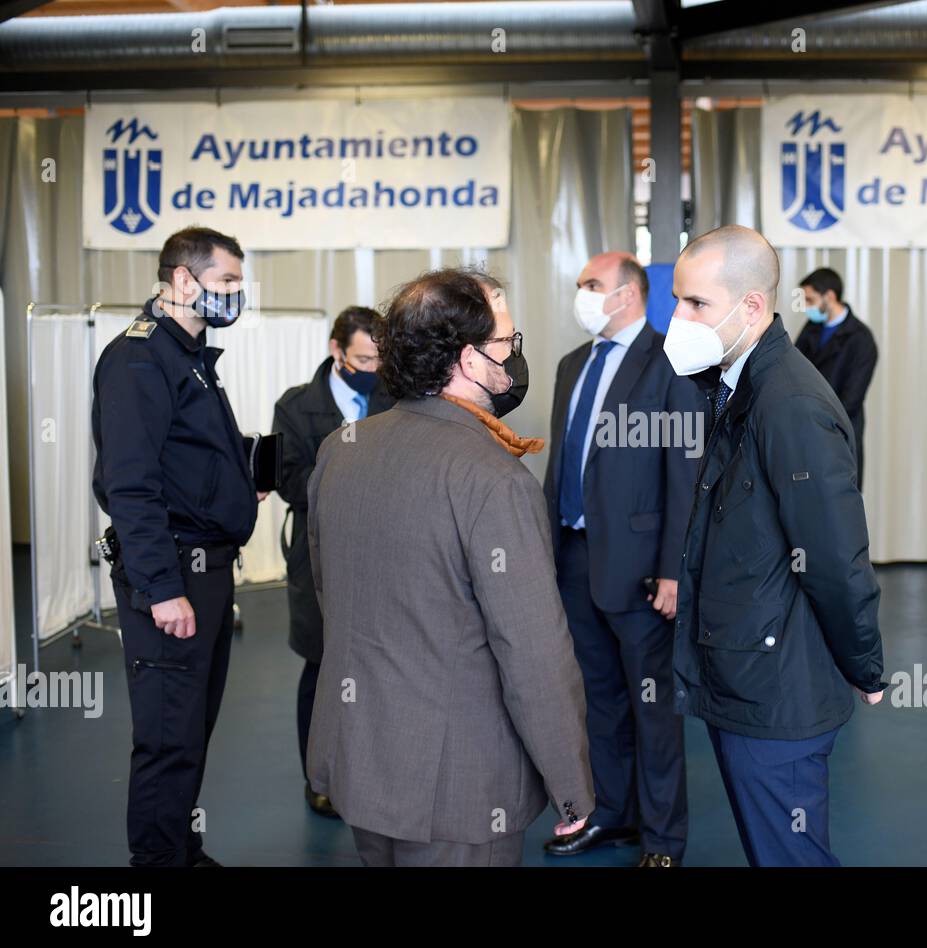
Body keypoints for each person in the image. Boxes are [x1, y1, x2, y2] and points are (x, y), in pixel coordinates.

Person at [306, 268, 593, 866]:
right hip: (460, 787)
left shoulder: (342, 449)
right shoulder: (493, 478)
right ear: (468, 359)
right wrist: (572, 785)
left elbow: (334, 596)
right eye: (507, 343)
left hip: (362, 762)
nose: (516, 355)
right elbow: (533, 653)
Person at [665, 225, 889, 866]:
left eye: (697, 304)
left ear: (753, 307)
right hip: (747, 675)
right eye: (679, 301)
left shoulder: (789, 405)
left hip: (778, 687)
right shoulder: (741, 387)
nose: (679, 318)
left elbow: (834, 557)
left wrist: (863, 663)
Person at [91, 226, 262, 867]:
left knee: (191, 730)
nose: (235, 296)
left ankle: (182, 851)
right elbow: (129, 487)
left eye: (239, 284)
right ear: (183, 281)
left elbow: (189, 458)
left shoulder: (189, 353)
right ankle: (157, 867)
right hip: (173, 574)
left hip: (207, 570)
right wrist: (163, 588)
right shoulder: (140, 358)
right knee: (167, 735)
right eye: (226, 283)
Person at [541, 252, 702, 867]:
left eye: (593, 285)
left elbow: (685, 473)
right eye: (580, 285)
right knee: (599, 700)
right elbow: (566, 463)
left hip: (642, 571)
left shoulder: (670, 365)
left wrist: (673, 570)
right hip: (576, 557)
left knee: (653, 707)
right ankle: (613, 815)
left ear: (629, 295)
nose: (582, 295)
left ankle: (663, 841)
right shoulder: (570, 366)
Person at [272, 306, 395, 817]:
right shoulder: (298, 407)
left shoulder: (396, 399)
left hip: (389, 559)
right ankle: (318, 776)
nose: (373, 368)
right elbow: (287, 479)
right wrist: (352, 484)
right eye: (363, 358)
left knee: (385, 669)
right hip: (318, 557)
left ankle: (380, 771)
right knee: (322, 666)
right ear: (336, 351)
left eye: (380, 359)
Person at [793, 268, 878, 489]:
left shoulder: (861, 339)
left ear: (829, 296)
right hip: (806, 431)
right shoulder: (811, 329)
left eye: (810, 299)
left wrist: (815, 418)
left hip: (839, 436)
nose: (806, 306)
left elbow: (851, 400)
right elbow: (792, 371)